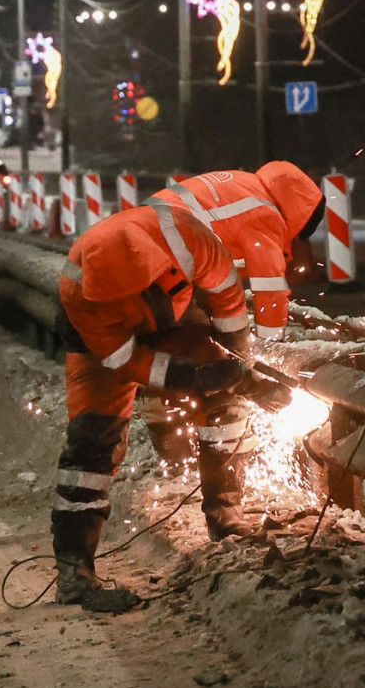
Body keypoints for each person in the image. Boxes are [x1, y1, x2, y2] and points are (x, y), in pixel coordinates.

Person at [52, 202, 282, 609]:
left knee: (221, 390)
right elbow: (125, 361)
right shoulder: (80, 293)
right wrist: (190, 379)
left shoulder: (186, 237)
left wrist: (239, 368)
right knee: (93, 439)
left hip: (180, 313)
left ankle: (225, 513)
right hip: (104, 346)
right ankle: (75, 572)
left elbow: (228, 297)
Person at [137, 161, 325, 464]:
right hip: (171, 261)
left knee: (163, 353)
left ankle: (174, 456)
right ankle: (224, 461)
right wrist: (268, 350)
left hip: (140, 252)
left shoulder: (241, 186)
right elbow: (270, 288)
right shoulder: (266, 213)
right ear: (297, 213)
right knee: (220, 357)